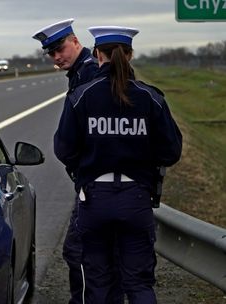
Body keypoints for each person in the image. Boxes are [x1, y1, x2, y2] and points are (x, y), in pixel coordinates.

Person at [53, 25, 182, 303]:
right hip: (137, 198)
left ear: (97, 54)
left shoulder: (81, 96)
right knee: (138, 283)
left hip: (94, 200)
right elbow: (171, 151)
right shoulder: (150, 97)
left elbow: (63, 148)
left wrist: (86, 167)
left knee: (97, 282)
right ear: (131, 55)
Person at [33, 19, 124, 304]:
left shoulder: (90, 74)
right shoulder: (81, 72)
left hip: (96, 182)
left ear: (74, 40)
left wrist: (80, 166)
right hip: (104, 181)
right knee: (105, 254)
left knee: (79, 252)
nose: (57, 57)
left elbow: (85, 134)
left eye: (60, 49)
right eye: (51, 54)